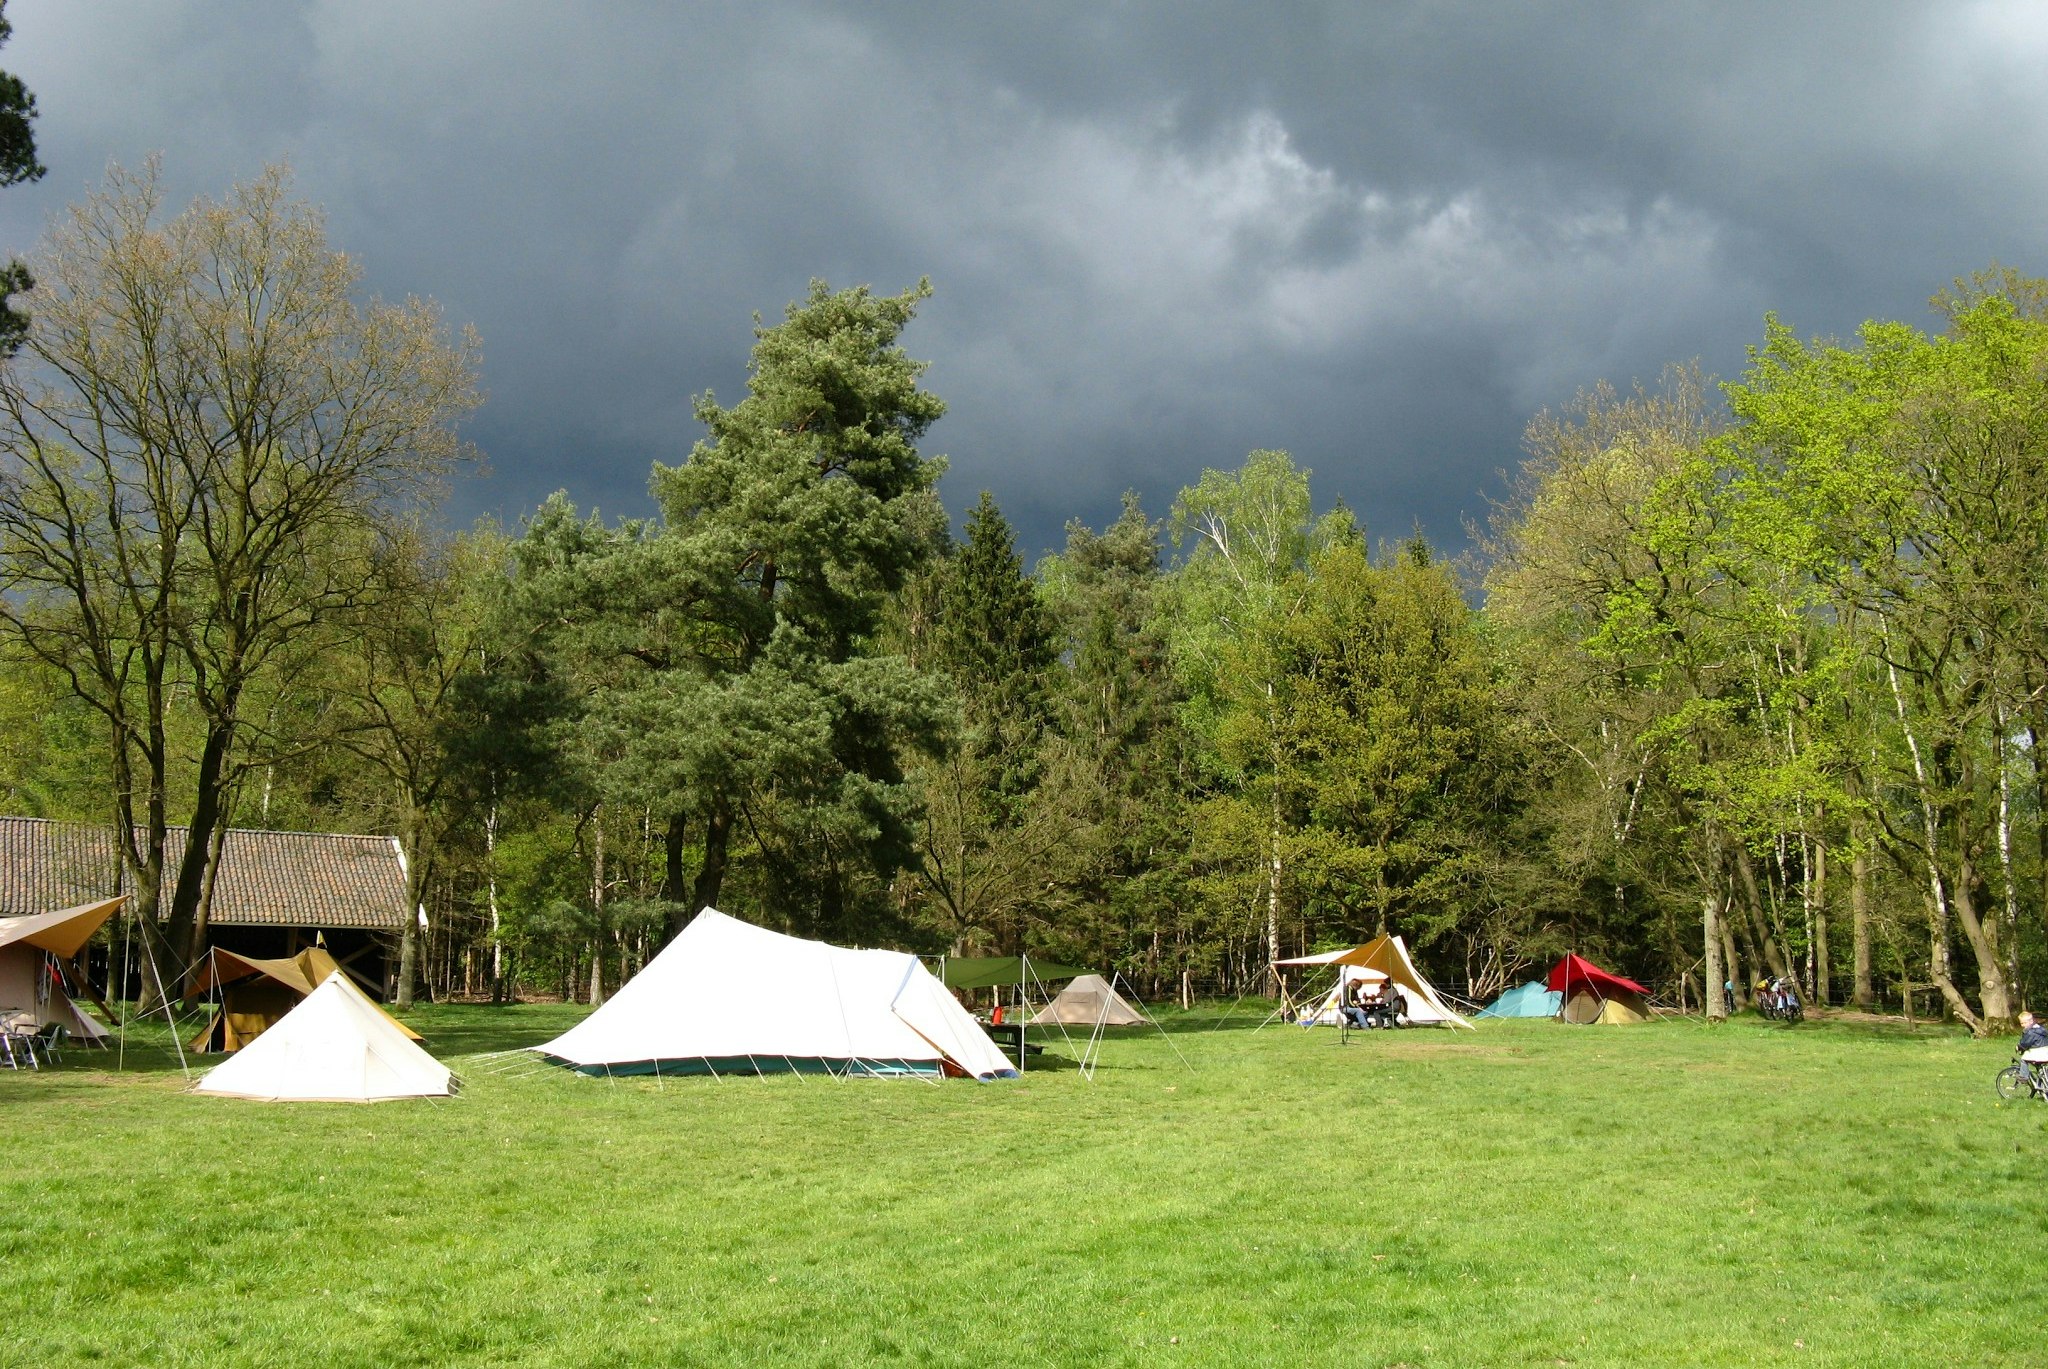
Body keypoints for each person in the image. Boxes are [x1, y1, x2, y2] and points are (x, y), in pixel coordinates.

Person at [2020, 1011, 2048, 1086]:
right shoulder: (2041, 1029)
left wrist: (2019, 1046)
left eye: (2024, 1023)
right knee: (2040, 1066)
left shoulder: (2030, 1032)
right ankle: (2042, 1083)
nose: (2023, 1025)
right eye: (2021, 1023)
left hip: (2038, 1053)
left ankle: (2023, 1077)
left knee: (2023, 1060)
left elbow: (2025, 1043)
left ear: (2031, 1021)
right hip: (2046, 1053)